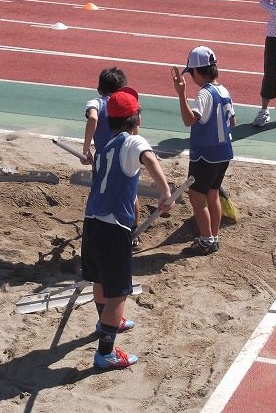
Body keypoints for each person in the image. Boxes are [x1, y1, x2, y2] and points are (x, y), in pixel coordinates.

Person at [81, 91, 172, 370]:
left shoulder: (105, 148)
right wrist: (165, 191)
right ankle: (105, 352)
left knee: (100, 280)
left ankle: (106, 322)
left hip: (92, 221)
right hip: (113, 227)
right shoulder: (134, 142)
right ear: (137, 119)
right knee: (118, 293)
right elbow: (150, 159)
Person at [174, 46, 236, 254]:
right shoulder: (224, 91)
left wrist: (181, 94)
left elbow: (189, 119)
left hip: (205, 154)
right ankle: (213, 236)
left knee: (197, 197)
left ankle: (207, 240)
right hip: (224, 152)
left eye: (191, 73)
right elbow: (232, 122)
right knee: (213, 194)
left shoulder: (204, 94)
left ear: (198, 72)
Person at [82, 67, 129, 166]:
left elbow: (93, 118)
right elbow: (136, 123)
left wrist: (86, 150)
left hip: (103, 156)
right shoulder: (127, 104)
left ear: (99, 90)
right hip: (124, 156)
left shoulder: (96, 103)